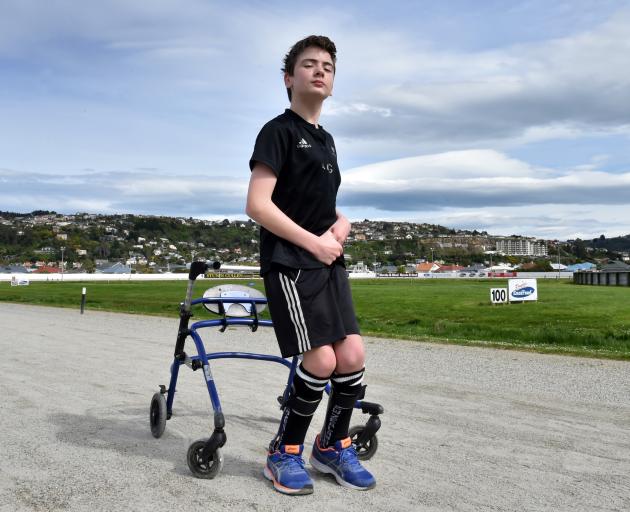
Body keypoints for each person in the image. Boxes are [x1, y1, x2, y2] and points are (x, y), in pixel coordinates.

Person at [246, 35, 376, 495]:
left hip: (327, 260)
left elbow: (318, 204)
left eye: (327, 66)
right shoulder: (277, 131)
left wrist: (339, 224)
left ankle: (332, 444)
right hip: (289, 262)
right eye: (308, 65)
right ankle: (284, 452)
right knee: (320, 358)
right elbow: (258, 205)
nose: (319, 71)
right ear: (289, 78)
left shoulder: (328, 140)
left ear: (333, 82)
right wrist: (314, 245)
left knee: (353, 354)